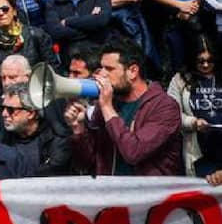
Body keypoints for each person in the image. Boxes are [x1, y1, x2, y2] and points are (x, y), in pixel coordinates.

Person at [65, 39, 183, 176]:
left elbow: (134, 152)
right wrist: (78, 130)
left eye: (109, 69)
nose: (101, 74)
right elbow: (86, 164)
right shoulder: (105, 105)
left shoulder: (164, 106)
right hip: (111, 194)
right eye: (101, 68)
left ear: (133, 71)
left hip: (149, 194)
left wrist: (107, 108)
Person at [0, 0, 56, 101]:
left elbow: (52, 69)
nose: (1, 13)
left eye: (5, 9)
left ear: (14, 11)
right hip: (5, 100)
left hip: (37, 97)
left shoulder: (36, 35)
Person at [167, 36, 222, 177]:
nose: (205, 65)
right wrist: (193, 123)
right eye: (200, 61)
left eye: (210, 60)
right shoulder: (180, 80)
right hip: (198, 150)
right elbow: (170, 114)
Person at [0, 83, 71, 176]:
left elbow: (53, 172)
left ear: (31, 113)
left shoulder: (56, 140)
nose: (4, 114)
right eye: (2, 108)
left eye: (10, 110)